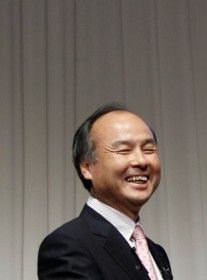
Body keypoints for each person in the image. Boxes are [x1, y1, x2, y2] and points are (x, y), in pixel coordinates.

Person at [38, 104, 173, 280]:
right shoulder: (67, 245)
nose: (141, 161)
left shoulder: (155, 252)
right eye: (124, 150)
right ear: (87, 167)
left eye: (149, 149)